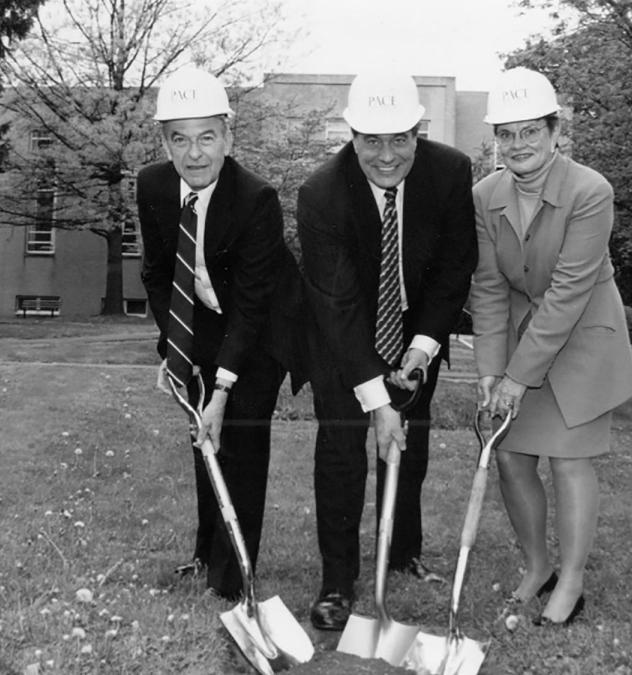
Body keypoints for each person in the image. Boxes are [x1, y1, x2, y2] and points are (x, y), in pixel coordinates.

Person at [297, 71, 477, 631]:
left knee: (410, 449)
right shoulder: (321, 193)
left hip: (413, 326)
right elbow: (337, 304)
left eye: (400, 138)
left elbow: (453, 270)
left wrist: (422, 348)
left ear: (418, 131)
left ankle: (402, 553)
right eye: (371, 140)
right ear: (351, 135)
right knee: (344, 454)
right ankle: (338, 581)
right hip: (339, 335)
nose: (386, 155)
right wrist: (376, 400)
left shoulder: (449, 172)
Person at [470, 67, 632, 626]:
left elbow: (568, 293)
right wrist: (493, 372)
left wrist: (520, 377)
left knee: (569, 460)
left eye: (530, 132)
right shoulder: (485, 194)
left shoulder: (591, 191)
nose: (518, 145)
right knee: (512, 456)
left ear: (554, 131)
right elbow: (490, 288)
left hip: (583, 336)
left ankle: (572, 578)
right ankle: (538, 566)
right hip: (523, 341)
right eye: (506, 134)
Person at [137, 67, 308, 601]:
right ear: (165, 143)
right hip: (202, 322)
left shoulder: (255, 198)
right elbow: (157, 273)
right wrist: (175, 351)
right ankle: (204, 552)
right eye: (180, 139)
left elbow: (254, 303)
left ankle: (233, 574)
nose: (194, 154)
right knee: (202, 440)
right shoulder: (152, 185)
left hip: (262, 328)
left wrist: (224, 386)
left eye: (207, 137)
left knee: (240, 439)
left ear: (228, 138)